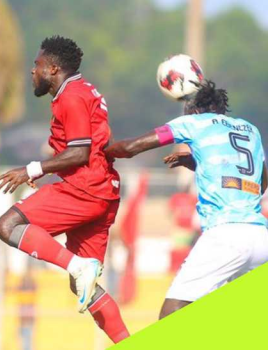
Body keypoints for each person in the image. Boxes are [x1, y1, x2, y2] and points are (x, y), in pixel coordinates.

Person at [0, 36, 129, 343]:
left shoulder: (72, 96)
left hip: (86, 190)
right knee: (83, 286)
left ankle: (78, 264)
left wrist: (32, 169)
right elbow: (88, 148)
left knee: (7, 225)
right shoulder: (82, 91)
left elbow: (80, 152)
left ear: (53, 68)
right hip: (102, 192)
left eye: (37, 64)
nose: (32, 70)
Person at [105, 80, 268, 319]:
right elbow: (261, 181)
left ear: (195, 110)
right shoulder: (249, 129)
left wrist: (99, 153)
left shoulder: (194, 122)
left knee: (171, 314)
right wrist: (197, 163)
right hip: (260, 238)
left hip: (225, 235)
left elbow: (131, 147)